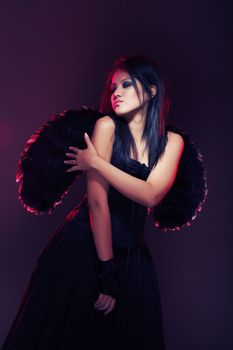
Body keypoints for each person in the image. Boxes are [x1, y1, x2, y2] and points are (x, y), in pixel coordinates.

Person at [1, 54, 186, 350]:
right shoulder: (106, 127)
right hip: (86, 244)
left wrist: (96, 164)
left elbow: (151, 194)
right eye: (113, 88)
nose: (116, 93)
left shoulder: (171, 143)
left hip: (133, 253)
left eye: (126, 84)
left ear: (152, 91)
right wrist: (107, 272)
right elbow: (98, 204)